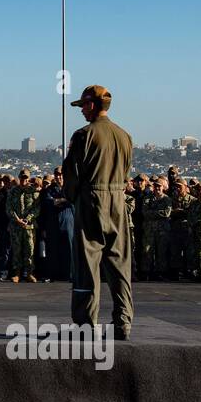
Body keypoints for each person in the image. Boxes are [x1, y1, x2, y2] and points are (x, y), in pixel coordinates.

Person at [62, 84, 134, 341]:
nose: (81, 111)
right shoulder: (124, 136)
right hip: (118, 199)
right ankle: (123, 321)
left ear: (92, 105)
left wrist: (72, 198)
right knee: (119, 264)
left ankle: (85, 324)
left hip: (92, 199)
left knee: (86, 262)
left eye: (83, 106)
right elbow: (125, 173)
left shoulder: (84, 135)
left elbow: (71, 174)